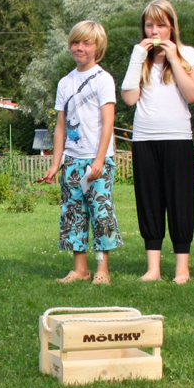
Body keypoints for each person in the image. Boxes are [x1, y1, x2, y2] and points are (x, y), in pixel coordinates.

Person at [121, 0, 194, 283]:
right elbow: (129, 98)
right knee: (149, 202)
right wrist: (135, 58)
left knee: (180, 202)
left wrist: (174, 57)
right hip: (144, 140)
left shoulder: (188, 54)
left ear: (171, 27)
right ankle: (153, 269)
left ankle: (182, 268)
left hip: (178, 139)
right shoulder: (140, 60)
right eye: (149, 25)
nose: (155, 31)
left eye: (161, 25)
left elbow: (192, 94)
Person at [43, 20, 122, 284]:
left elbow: (108, 122)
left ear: (97, 47)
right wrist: (56, 163)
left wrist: (100, 159)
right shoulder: (65, 82)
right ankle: (80, 269)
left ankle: (102, 269)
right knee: (73, 214)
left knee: (101, 214)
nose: (80, 47)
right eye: (76, 42)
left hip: (97, 160)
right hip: (71, 161)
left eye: (86, 43)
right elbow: (60, 126)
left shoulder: (103, 80)